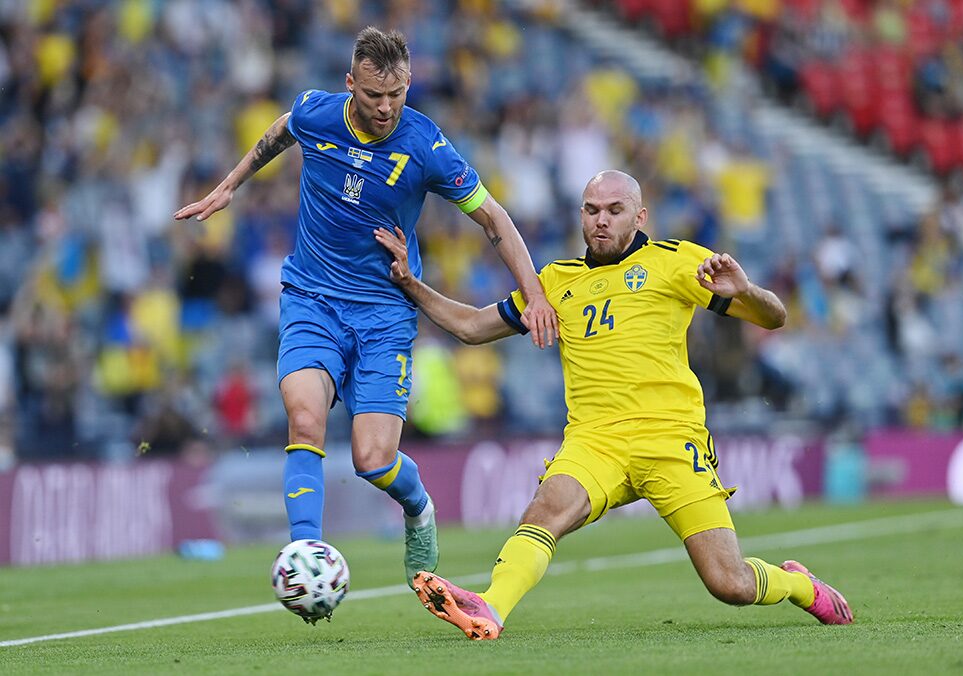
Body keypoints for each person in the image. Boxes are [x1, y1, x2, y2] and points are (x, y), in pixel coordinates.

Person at [374, 170, 853, 640]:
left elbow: (775, 318)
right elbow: (472, 327)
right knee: (544, 510)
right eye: (591, 210)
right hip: (595, 440)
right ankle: (490, 608)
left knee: (730, 584)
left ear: (639, 216)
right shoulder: (555, 281)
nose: (601, 220)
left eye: (614, 210)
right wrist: (411, 283)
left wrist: (746, 292)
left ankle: (799, 585)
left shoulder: (676, 261)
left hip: (671, 438)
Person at [174, 26, 558, 596]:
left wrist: (536, 293)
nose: (385, 107)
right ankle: (306, 556)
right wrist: (230, 185)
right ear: (350, 83)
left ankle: (418, 505)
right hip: (312, 298)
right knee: (304, 417)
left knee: (373, 459)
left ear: (409, 84)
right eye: (374, 95)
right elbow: (282, 130)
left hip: (384, 312)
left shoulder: (426, 145)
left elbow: (493, 218)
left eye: (397, 94)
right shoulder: (319, 113)